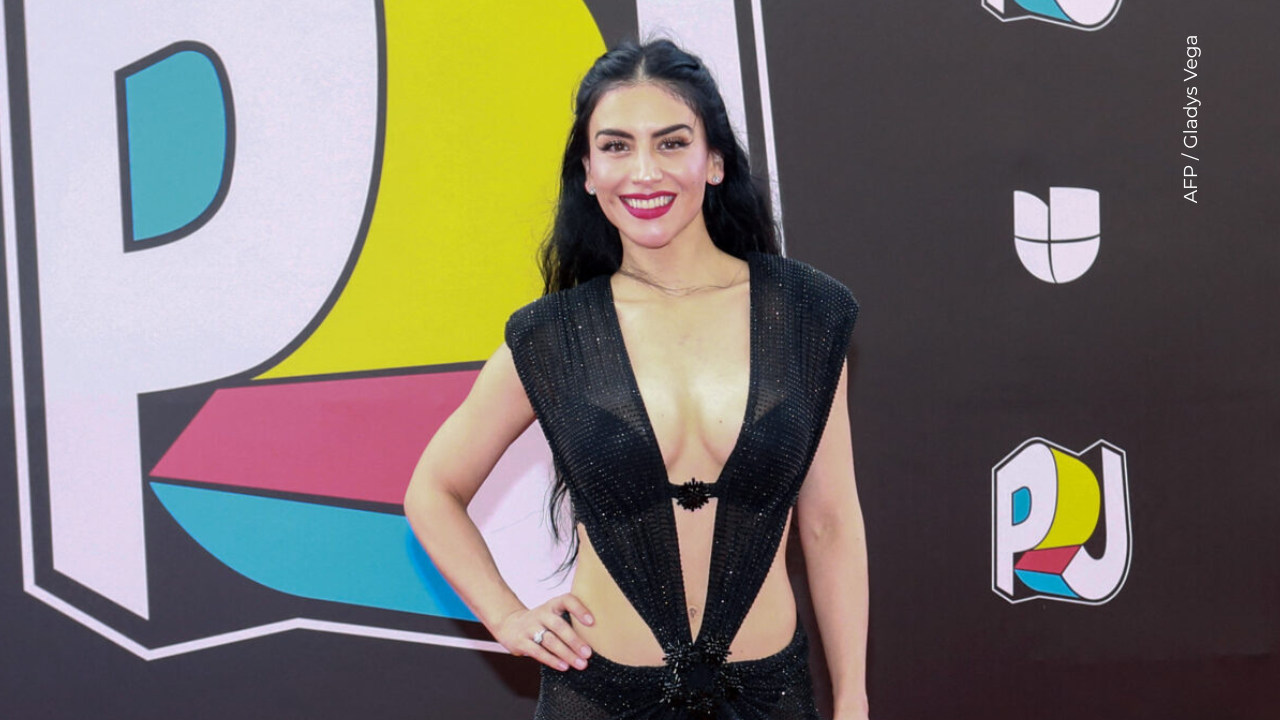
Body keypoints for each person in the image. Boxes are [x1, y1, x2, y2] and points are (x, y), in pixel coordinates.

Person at [403, 38, 869, 720]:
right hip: (600, 696)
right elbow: (432, 491)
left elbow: (830, 522)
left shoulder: (806, 315)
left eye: (672, 143)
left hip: (769, 697)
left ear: (713, 162)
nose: (644, 172)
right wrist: (505, 615)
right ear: (587, 172)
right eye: (616, 147)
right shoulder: (551, 336)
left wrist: (852, 696)